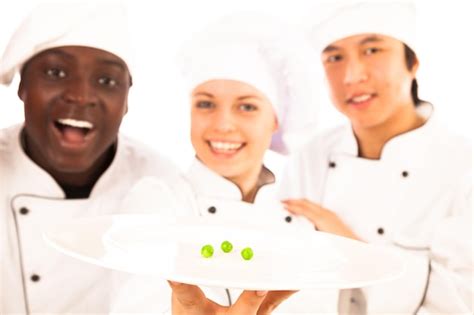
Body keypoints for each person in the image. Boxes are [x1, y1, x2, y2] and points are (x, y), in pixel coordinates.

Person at [112, 13, 334, 314]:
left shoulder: (302, 221)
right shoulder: (157, 200)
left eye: (247, 106)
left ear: (276, 120)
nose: (223, 125)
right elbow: (135, 302)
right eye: (206, 104)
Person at [280, 1, 472, 314]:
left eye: (372, 50)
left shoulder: (464, 169)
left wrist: (354, 253)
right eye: (334, 57)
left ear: (413, 63)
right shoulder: (308, 159)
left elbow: (458, 305)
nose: (352, 75)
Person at [0, 2, 178, 313]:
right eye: (56, 72)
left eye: (107, 81)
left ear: (126, 101)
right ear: (22, 86)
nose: (80, 95)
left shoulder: (162, 183)